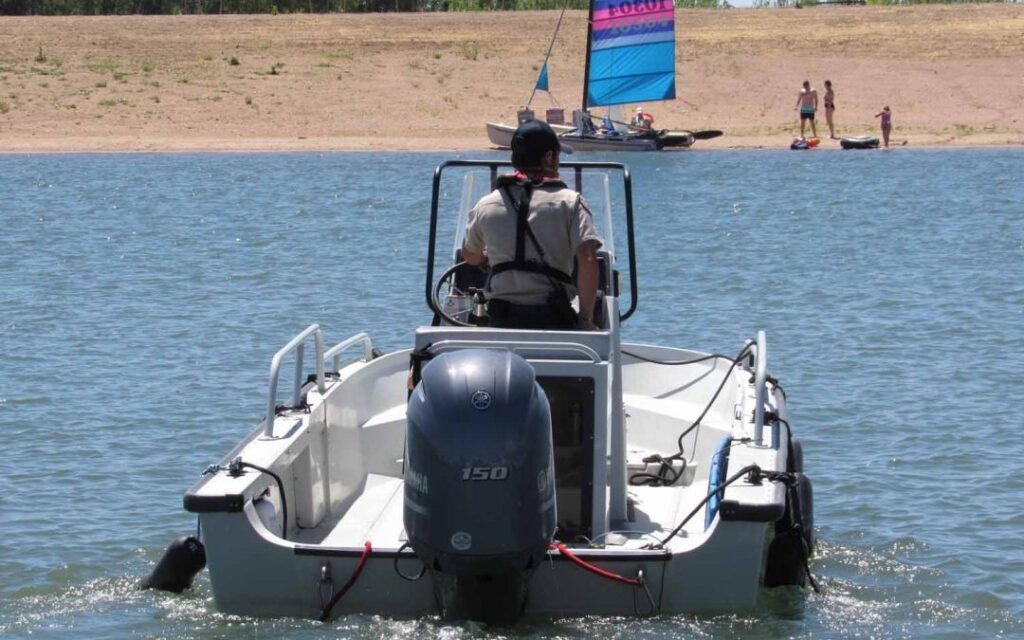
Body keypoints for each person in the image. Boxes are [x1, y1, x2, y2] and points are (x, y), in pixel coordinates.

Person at [462, 120, 603, 331]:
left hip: (502, 321)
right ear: (548, 157)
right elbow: (589, 260)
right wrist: (585, 320)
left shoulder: (486, 203)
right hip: (553, 319)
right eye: (557, 155)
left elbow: (470, 256)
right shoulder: (570, 202)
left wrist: (487, 260)